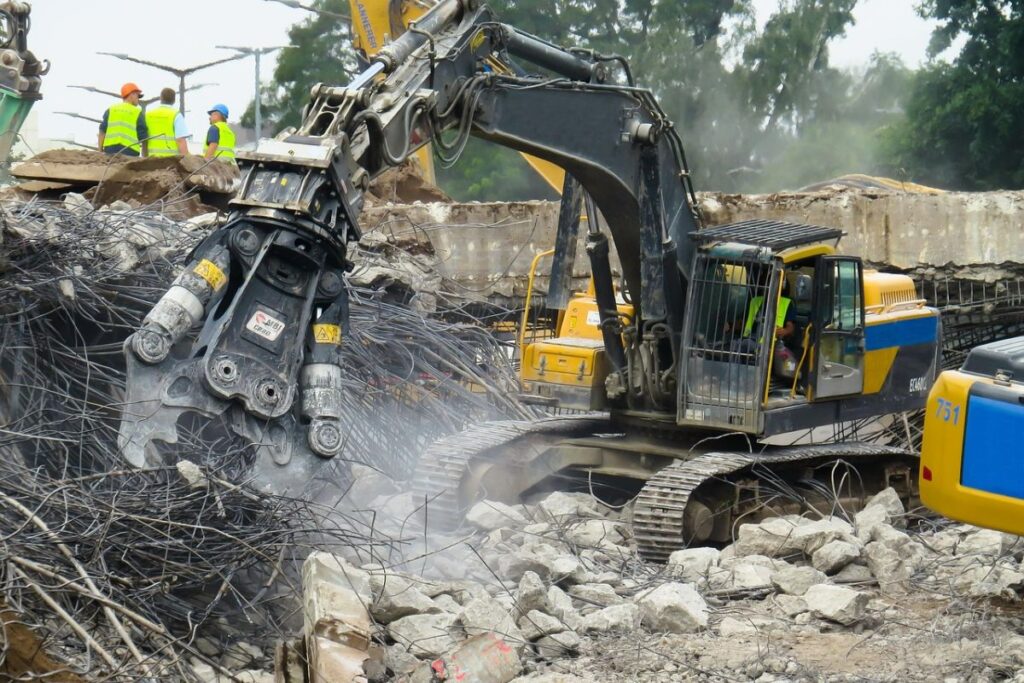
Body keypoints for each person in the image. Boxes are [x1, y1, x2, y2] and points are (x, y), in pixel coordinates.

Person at [98, 82, 148, 157]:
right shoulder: (137, 112)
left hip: (110, 151)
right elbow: (143, 137)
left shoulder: (111, 109)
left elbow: (102, 132)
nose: (138, 99)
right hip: (130, 152)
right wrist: (145, 157)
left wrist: (100, 151)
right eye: (138, 96)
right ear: (132, 94)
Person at [145, 88, 190, 157]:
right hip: (170, 160)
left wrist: (144, 157)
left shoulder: (148, 114)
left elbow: (144, 140)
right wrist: (187, 159)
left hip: (151, 158)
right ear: (174, 100)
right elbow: (180, 140)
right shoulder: (176, 115)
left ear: (161, 98)